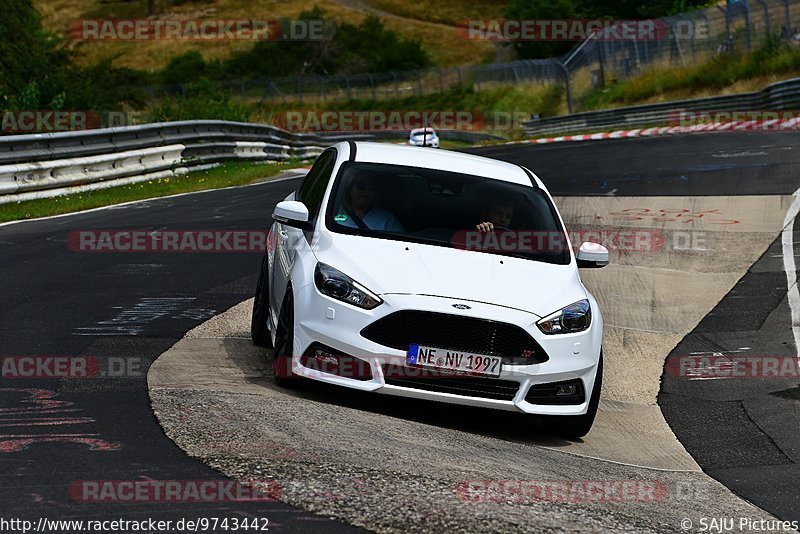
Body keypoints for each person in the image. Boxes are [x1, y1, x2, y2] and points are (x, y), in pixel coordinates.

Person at [335, 176, 405, 232]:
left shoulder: (387, 219)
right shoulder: (334, 212)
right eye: (360, 187)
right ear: (350, 188)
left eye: (371, 188)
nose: (365, 193)